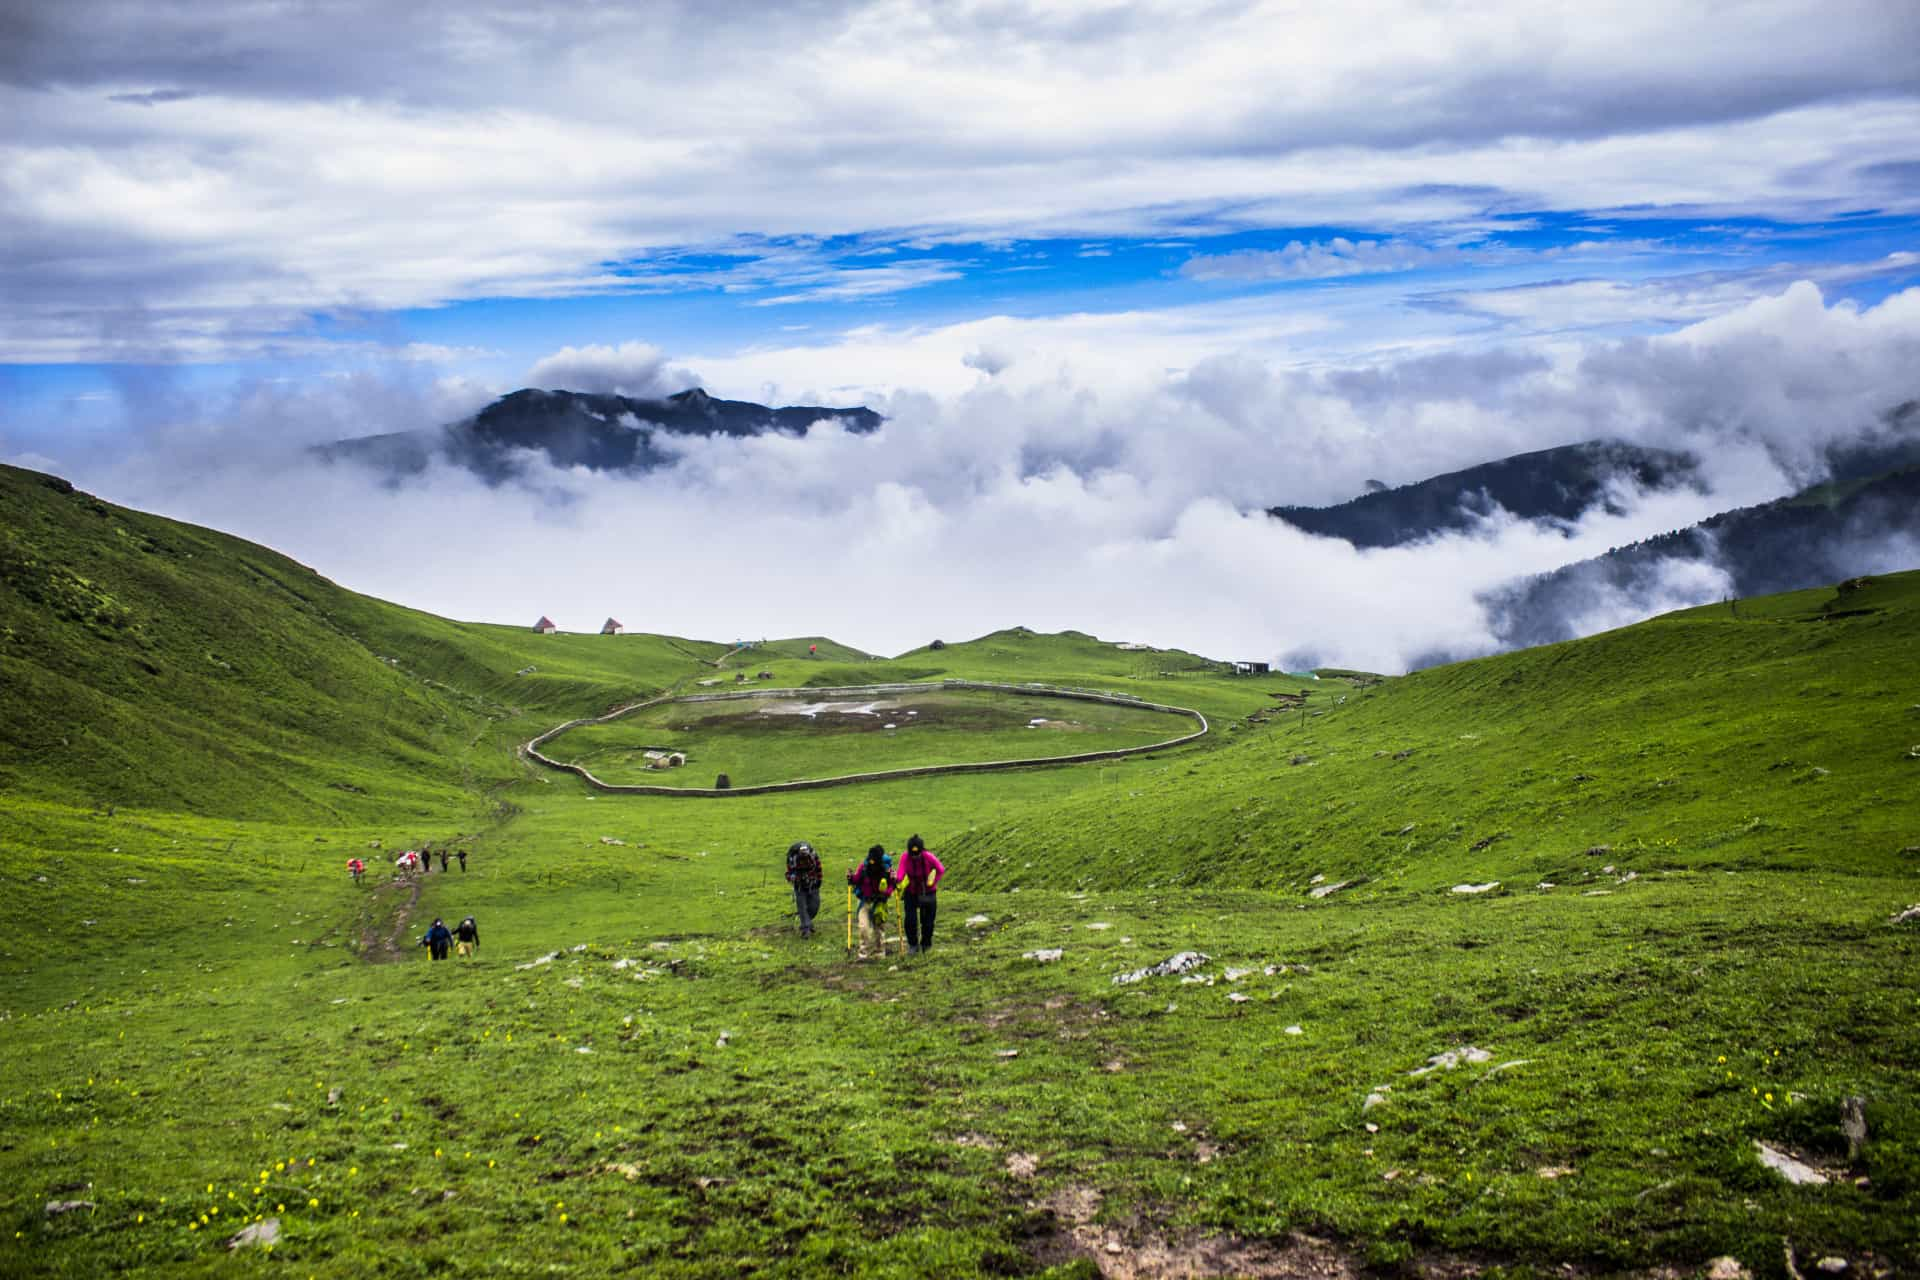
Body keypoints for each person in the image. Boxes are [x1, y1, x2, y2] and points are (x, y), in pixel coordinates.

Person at [896, 834, 945, 954]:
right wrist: (895, 879)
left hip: (928, 892)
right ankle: (913, 945)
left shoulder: (928, 857)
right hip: (911, 892)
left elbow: (940, 869)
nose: (915, 857)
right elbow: (900, 874)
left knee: (928, 921)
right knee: (910, 920)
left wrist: (933, 882)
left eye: (918, 854)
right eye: (913, 855)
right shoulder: (905, 857)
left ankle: (926, 944)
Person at [846, 845, 895, 960]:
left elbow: (892, 885)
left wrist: (886, 893)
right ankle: (863, 954)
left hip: (879, 903)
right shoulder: (864, 867)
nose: (872, 863)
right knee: (863, 928)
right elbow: (856, 879)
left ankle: (879, 953)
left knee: (878, 929)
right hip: (864, 901)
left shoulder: (886, 870)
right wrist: (850, 877)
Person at [786, 840, 824, 938]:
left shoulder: (813, 857)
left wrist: (819, 880)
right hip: (800, 887)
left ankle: (808, 922)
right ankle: (805, 929)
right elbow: (789, 873)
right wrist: (792, 878)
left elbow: (819, 869)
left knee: (814, 907)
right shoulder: (793, 860)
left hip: (813, 884)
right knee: (802, 908)